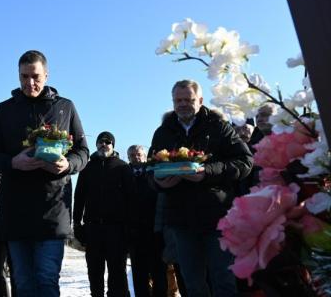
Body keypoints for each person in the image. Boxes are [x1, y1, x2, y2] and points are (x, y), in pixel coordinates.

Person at [0, 50, 89, 297]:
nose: (30, 83)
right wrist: (13, 162)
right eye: (24, 77)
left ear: (47, 74)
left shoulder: (65, 107)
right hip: (15, 209)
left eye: (36, 76)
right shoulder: (2, 110)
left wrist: (68, 164)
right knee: (23, 281)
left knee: (46, 278)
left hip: (52, 210)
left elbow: (83, 152)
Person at [149, 79, 252, 297]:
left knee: (223, 282)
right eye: (178, 100)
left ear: (201, 100)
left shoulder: (219, 127)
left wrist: (208, 172)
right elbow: (152, 168)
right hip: (182, 221)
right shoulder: (163, 132)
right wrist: (159, 182)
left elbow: (245, 162)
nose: (183, 104)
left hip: (217, 216)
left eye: (189, 99)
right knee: (193, 285)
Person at [73, 131, 131, 297]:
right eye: (100, 142)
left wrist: (130, 226)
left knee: (117, 273)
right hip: (93, 229)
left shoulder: (122, 167)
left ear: (113, 145)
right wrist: (77, 224)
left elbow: (131, 198)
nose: (104, 144)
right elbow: (79, 197)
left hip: (117, 229)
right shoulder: (87, 168)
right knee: (94, 272)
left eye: (108, 142)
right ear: (96, 144)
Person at [126, 145, 167, 297]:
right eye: (132, 155)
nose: (135, 157)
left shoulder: (155, 173)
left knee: (159, 273)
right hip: (134, 234)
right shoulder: (124, 175)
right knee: (139, 275)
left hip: (155, 232)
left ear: (144, 156)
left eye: (138, 154)